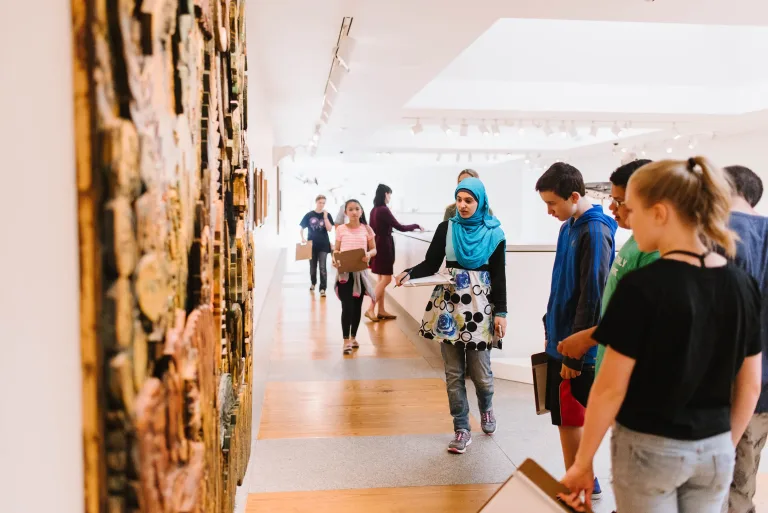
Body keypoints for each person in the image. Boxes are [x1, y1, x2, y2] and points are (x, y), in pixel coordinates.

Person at [561, 157, 762, 513]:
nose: (627, 219)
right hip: (714, 449)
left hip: (650, 448)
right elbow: (749, 384)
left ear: (660, 212)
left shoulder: (642, 287)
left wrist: (581, 463)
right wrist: (723, 445)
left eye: (633, 209)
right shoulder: (740, 284)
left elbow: (610, 388)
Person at [396, 177, 507, 454]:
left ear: (480, 202)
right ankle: (461, 428)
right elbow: (432, 262)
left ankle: (487, 408)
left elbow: (499, 276)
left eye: (469, 200)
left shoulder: (494, 233)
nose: (463, 205)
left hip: (480, 310)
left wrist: (501, 312)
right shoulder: (447, 228)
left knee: (481, 373)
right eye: (459, 200)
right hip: (449, 307)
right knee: (454, 373)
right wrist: (409, 272)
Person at [537, 162, 617, 501]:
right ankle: (581, 476)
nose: (549, 211)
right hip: (561, 338)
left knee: (572, 414)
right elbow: (561, 284)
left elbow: (593, 295)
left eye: (553, 204)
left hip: (578, 346)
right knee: (564, 416)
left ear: (573, 196)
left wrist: (577, 351)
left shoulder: (595, 230)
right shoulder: (569, 225)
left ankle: (579, 478)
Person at [557, 160, 659, 374]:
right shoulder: (637, 241)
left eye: (620, 201)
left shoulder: (657, 253)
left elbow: (643, 324)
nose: (612, 207)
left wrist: (586, 337)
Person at [722, 165, 768, 513]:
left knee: (725, 487)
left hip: (733, 387)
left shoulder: (721, 236)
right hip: (761, 388)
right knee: (744, 481)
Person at [367, 184, 423, 322]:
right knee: (386, 279)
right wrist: (416, 225)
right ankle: (370, 308)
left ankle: (380, 310)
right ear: (385, 194)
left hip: (377, 244)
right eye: (390, 194)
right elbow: (400, 227)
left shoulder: (374, 210)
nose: (390, 197)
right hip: (384, 246)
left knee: (381, 279)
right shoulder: (383, 210)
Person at [332, 199, 377, 354]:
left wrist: (368, 254)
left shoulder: (367, 229)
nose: (354, 212)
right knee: (347, 306)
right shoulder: (341, 230)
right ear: (346, 212)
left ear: (361, 211)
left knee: (357, 307)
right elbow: (336, 250)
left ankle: (353, 337)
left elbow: (374, 249)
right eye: (350, 209)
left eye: (357, 208)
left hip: (360, 273)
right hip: (344, 274)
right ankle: (345, 341)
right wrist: (335, 259)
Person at [300, 195, 334, 296]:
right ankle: (313, 283)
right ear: (316, 202)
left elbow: (329, 229)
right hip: (311, 244)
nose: (322, 205)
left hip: (323, 244)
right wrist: (302, 238)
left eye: (323, 203)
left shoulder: (327, 215)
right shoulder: (309, 215)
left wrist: (325, 217)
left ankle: (323, 288)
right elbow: (302, 228)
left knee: (323, 267)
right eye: (320, 202)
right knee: (313, 266)